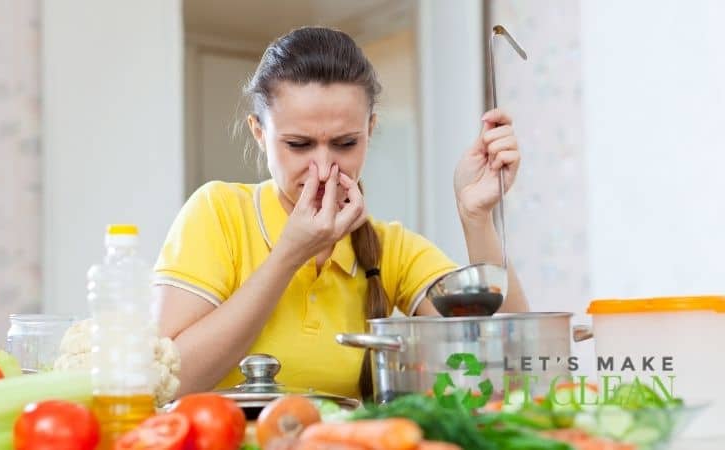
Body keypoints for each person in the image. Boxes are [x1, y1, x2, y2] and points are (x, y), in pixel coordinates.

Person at [154, 26, 528, 400]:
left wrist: (477, 218)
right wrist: (290, 255)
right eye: (298, 145)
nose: (324, 167)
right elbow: (167, 385)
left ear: (370, 130)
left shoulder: (389, 248)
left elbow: (513, 365)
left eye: (345, 143)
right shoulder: (218, 213)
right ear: (259, 133)